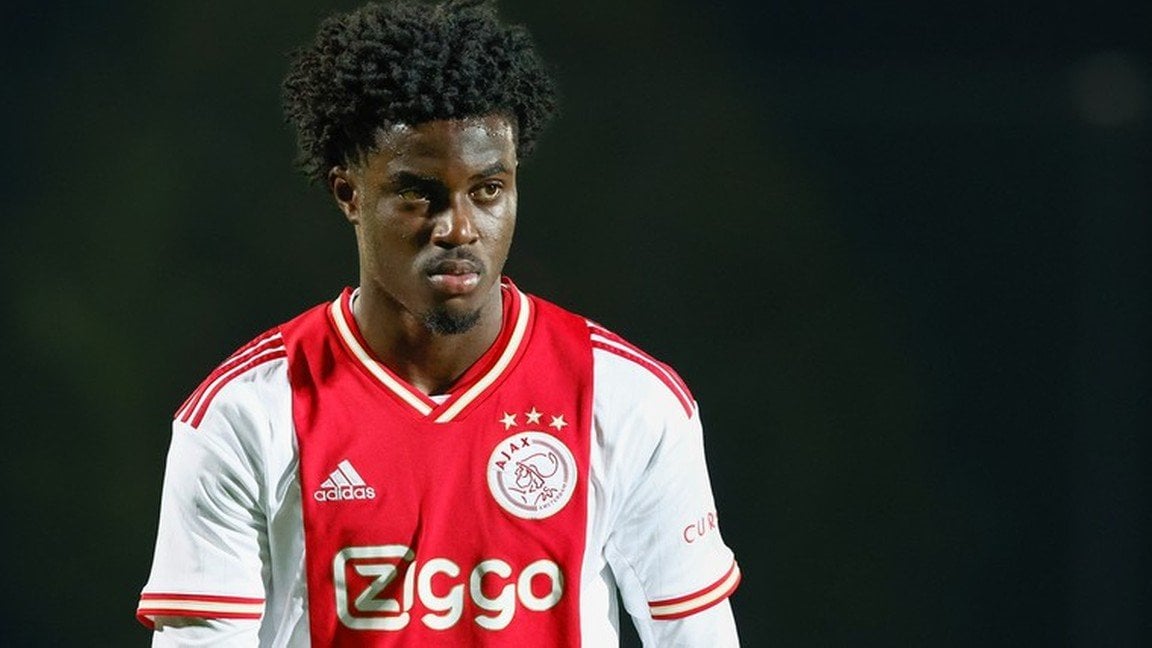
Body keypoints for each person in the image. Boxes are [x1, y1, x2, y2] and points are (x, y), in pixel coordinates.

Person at [136, 0, 740, 645]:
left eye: (487, 190)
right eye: (418, 193)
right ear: (349, 194)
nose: (458, 228)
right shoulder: (244, 414)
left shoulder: (629, 400)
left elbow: (697, 635)